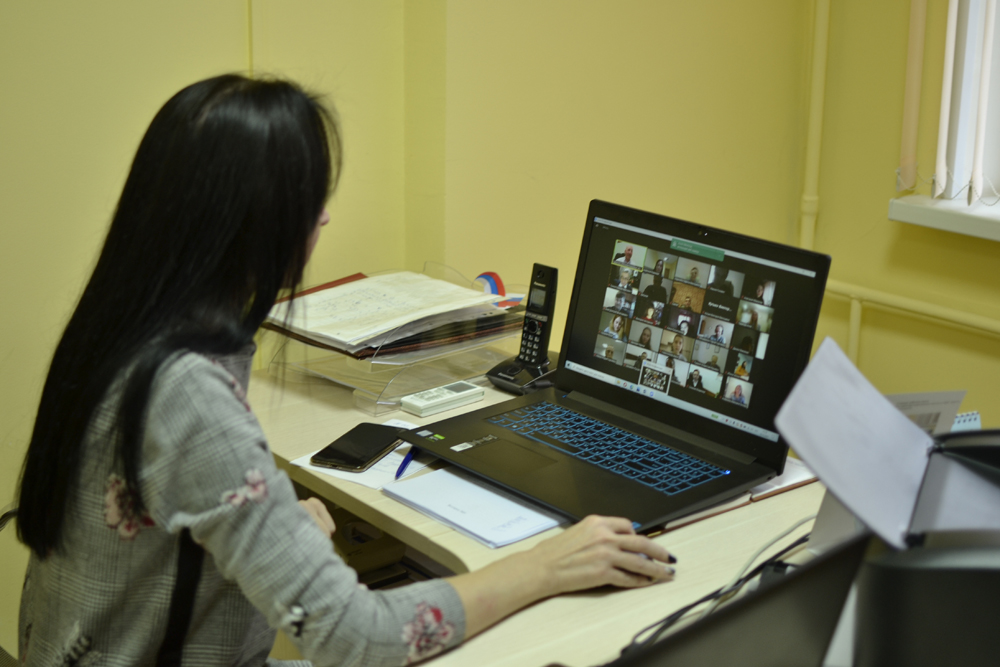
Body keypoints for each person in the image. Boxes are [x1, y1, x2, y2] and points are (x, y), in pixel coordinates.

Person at [15, 75, 674, 666]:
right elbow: (358, 640)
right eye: (309, 197)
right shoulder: (187, 392)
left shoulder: (118, 326)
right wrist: (544, 566)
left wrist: (273, 528)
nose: (325, 215)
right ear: (252, 221)